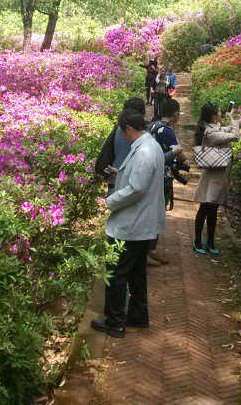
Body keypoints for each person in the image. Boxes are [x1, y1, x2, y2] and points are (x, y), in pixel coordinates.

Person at [91, 109, 166, 338]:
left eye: (123, 133)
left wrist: (109, 201)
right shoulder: (151, 146)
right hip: (143, 224)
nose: (123, 137)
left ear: (129, 129)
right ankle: (138, 315)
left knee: (116, 273)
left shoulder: (144, 151)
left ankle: (114, 321)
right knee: (136, 273)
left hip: (132, 225)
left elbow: (137, 188)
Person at [192, 101, 240, 255]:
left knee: (213, 209)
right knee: (205, 207)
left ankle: (210, 242)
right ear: (213, 117)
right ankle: (197, 241)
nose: (221, 113)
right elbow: (234, 135)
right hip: (212, 177)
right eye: (220, 112)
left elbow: (227, 129)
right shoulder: (211, 132)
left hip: (217, 175)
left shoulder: (214, 127)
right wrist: (232, 118)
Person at [145, 98, 189, 266]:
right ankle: (150, 250)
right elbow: (180, 154)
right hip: (162, 177)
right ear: (175, 113)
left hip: (150, 173)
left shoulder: (153, 125)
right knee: (158, 212)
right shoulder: (168, 131)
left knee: (151, 211)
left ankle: (147, 249)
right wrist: (182, 157)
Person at [95, 97, 147, 194]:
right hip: (130, 187)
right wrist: (172, 153)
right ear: (142, 113)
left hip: (114, 182)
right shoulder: (144, 135)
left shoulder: (118, 129)